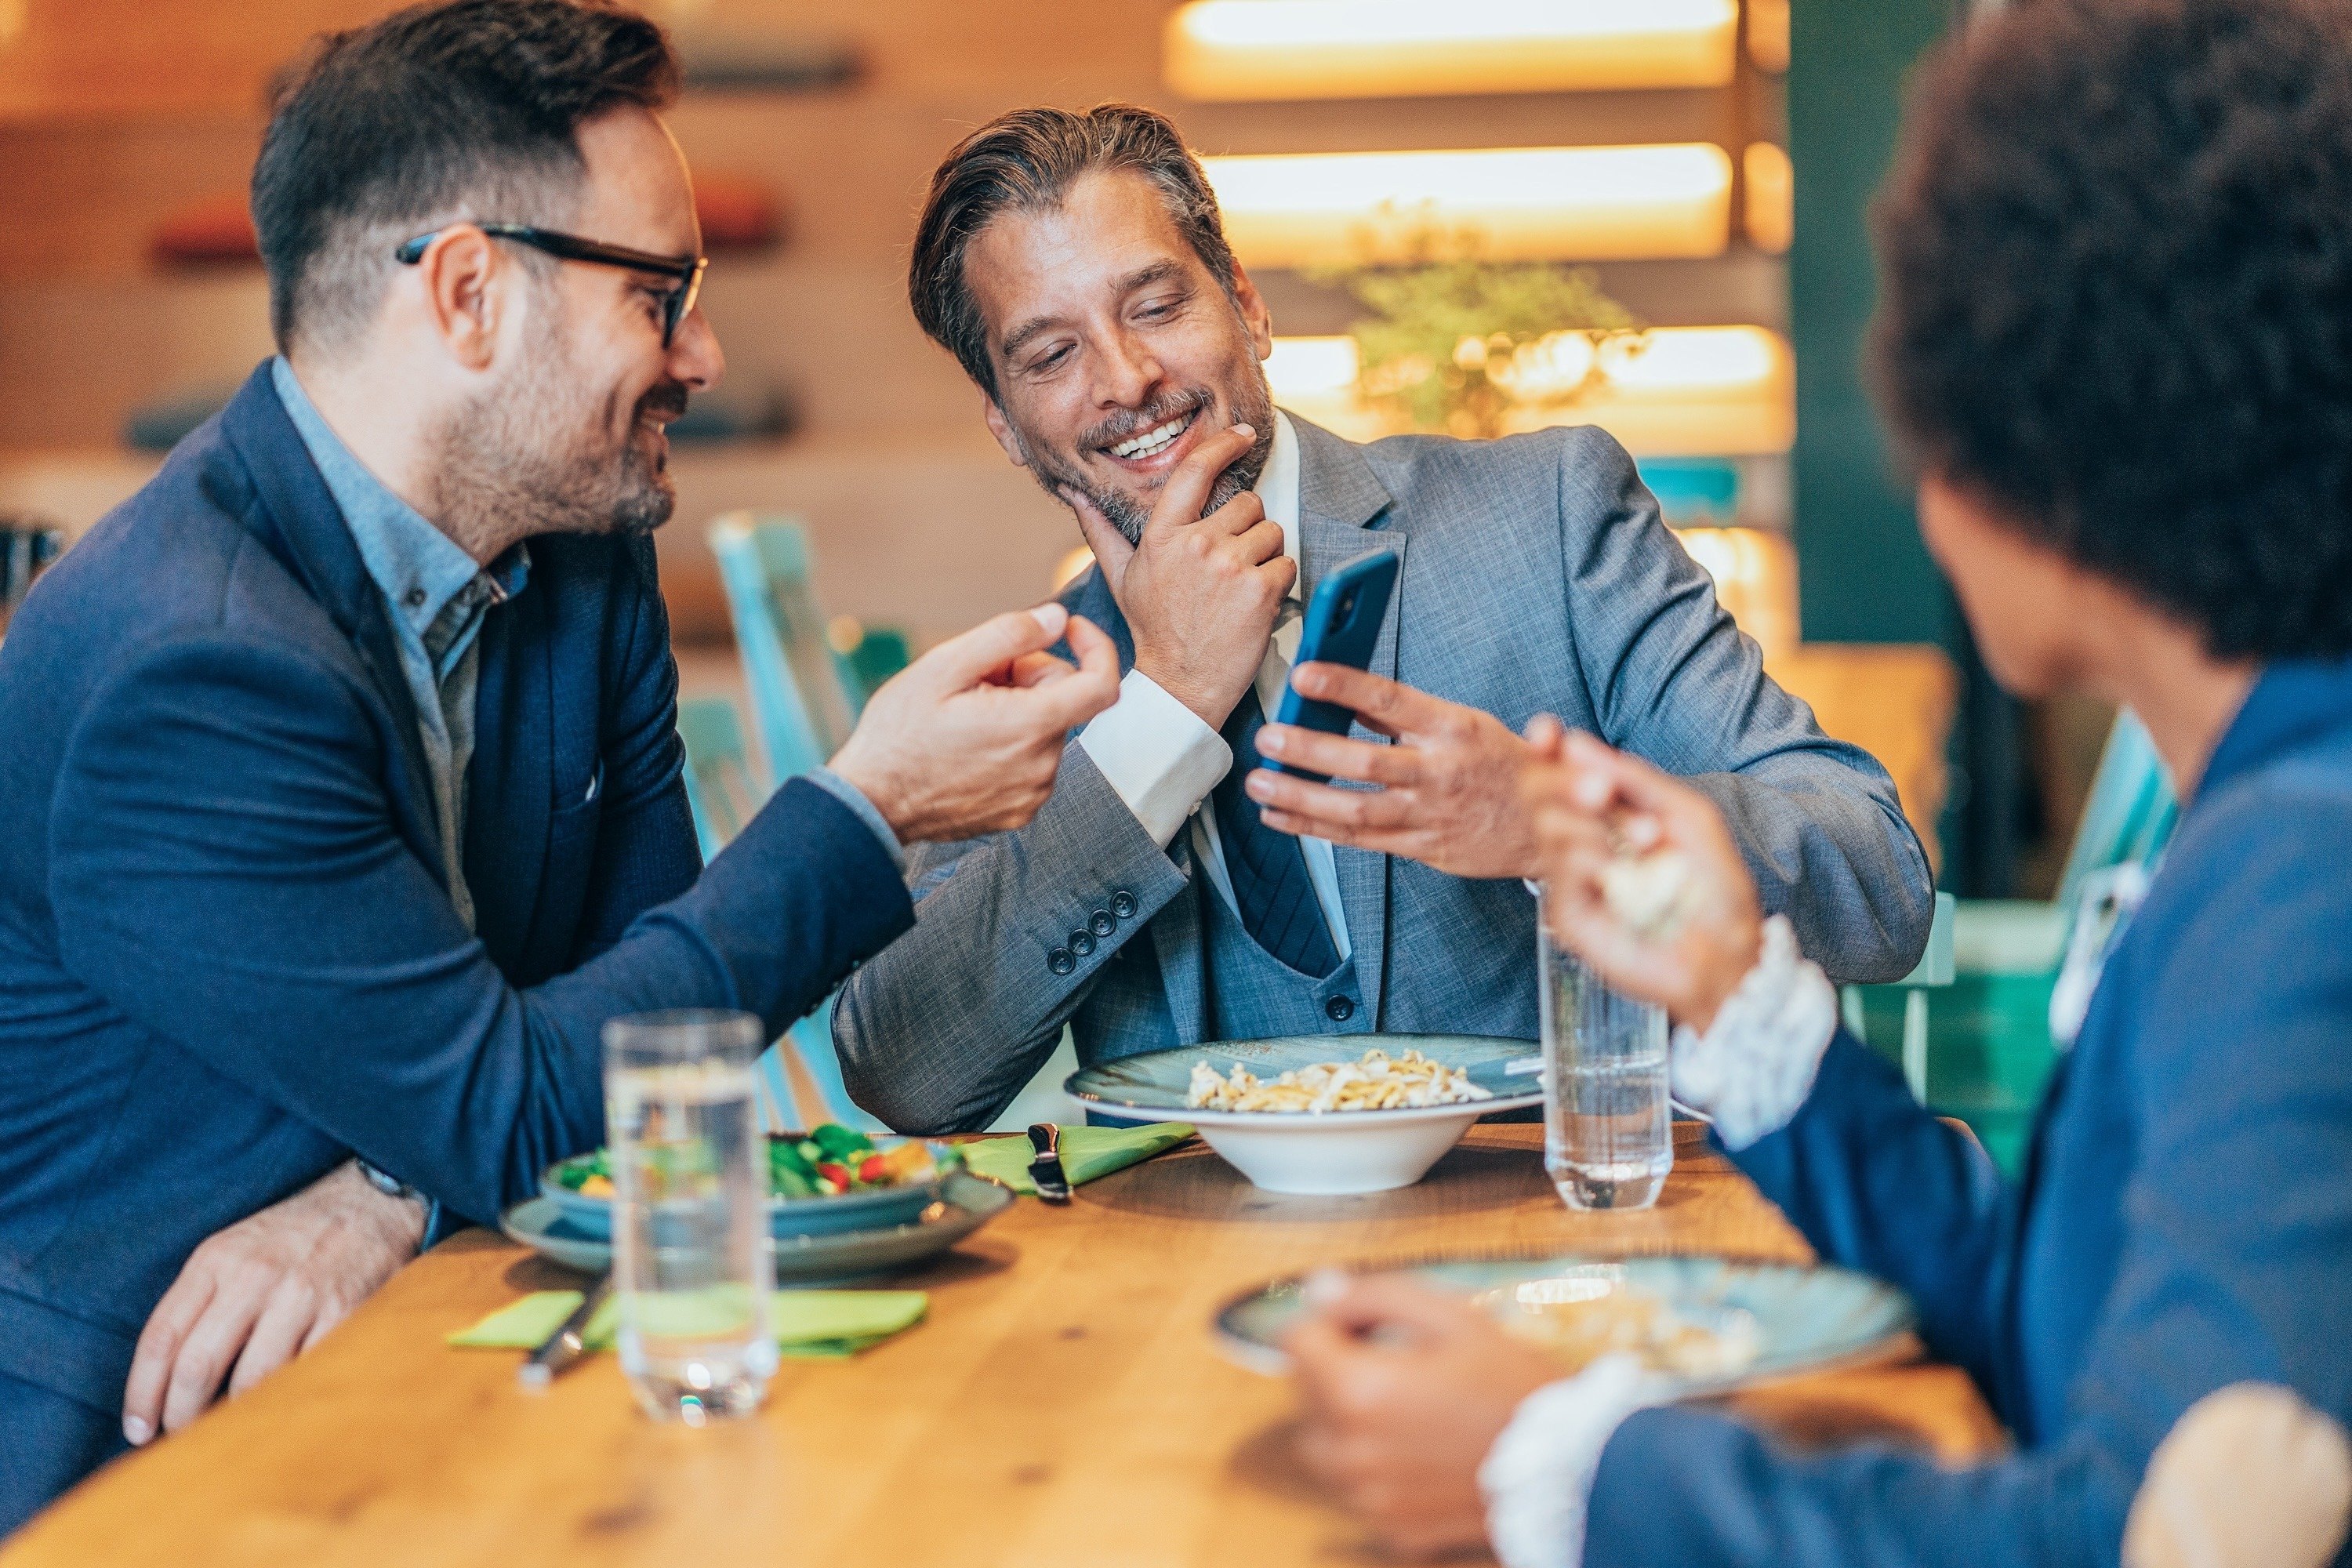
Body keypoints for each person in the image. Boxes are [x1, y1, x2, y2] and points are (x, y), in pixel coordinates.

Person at [0, 0, 1119, 1531]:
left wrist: (385, 1187)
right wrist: (874, 808)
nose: (705, 353)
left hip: (467, 1338)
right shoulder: (190, 666)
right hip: (155, 1456)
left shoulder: (582, 560)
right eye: (661, 295)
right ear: (467, 295)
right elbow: (538, 1104)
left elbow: (645, 1038)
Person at [1281, 2, 2352, 1564]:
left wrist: (1567, 1466)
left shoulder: (2298, 879)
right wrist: (1740, 1002)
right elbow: (2079, 1345)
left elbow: (2142, 1537)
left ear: (2028, 450)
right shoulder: (2275, 807)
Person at [830, 104, 1935, 1133]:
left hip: (1556, 1260)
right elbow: (904, 1076)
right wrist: (1162, 705)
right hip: (1184, 1306)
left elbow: (1876, 875)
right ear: (1007, 426)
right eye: (1052, 353)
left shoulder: (1550, 514)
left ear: (1247, 305)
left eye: (1157, 305)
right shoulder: (1026, 695)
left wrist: (1566, 829)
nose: (1127, 379)